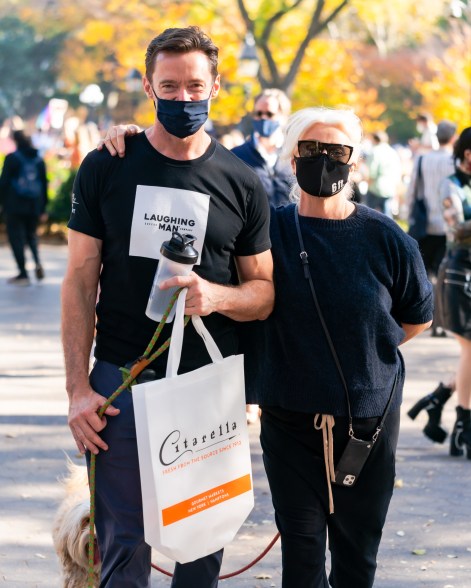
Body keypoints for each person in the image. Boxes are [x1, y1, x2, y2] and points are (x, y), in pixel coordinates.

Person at [61, 25, 274, 588]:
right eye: (170, 87)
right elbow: (80, 280)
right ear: (150, 89)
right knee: (122, 543)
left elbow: (264, 293)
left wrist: (218, 296)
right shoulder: (107, 164)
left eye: (195, 86)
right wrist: (78, 389)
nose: (184, 98)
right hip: (121, 384)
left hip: (208, 390)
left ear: (217, 87)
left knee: (202, 545)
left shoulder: (242, 183)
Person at [242, 107, 433, 587]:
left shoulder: (386, 238)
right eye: (310, 150)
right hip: (288, 422)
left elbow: (417, 316)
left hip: (366, 428)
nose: (322, 160)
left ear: (354, 162)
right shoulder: (267, 234)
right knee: (302, 561)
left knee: (356, 558)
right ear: (291, 159)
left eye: (336, 151)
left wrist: (366, 355)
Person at [412, 126, 471, 459]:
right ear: (468, 154)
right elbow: (456, 229)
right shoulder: (451, 184)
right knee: (470, 349)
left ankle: (440, 396)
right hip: (459, 274)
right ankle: (464, 425)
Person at [406, 120, 457, 337]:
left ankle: (431, 314)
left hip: (425, 223)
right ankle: (443, 319)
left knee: (427, 273)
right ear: (453, 138)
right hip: (449, 225)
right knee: (445, 271)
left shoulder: (422, 160)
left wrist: (409, 215)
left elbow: (412, 191)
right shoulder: (455, 161)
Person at [231, 88, 293, 208]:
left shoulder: (293, 155)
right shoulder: (236, 156)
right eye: (259, 113)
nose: (263, 118)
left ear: (283, 117)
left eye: (269, 114)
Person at [0, 130, 48, 285]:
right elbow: (44, 186)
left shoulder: (12, 158)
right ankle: (37, 262)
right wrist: (43, 208)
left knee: (16, 238)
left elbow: (4, 183)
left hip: (14, 206)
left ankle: (23, 273)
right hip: (34, 205)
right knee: (31, 235)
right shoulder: (39, 160)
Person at [365, 130, 402, 218]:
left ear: (375, 139)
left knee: (369, 215)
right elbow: (398, 170)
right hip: (390, 187)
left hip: (376, 187)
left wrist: (368, 183)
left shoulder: (374, 152)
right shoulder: (392, 152)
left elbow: (372, 172)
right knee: (387, 215)